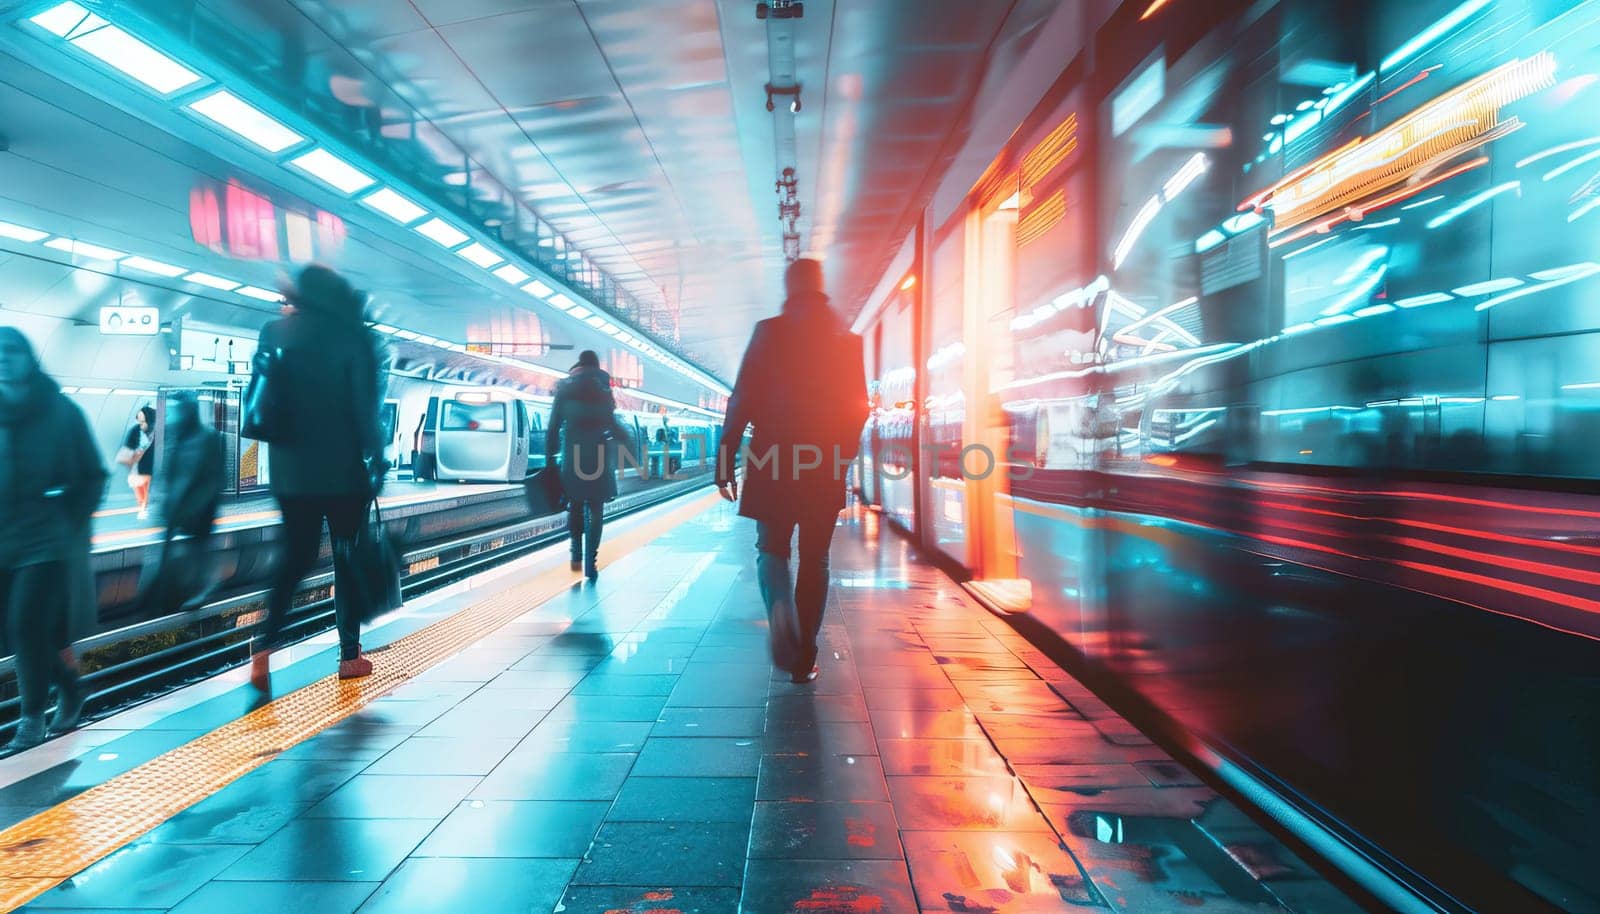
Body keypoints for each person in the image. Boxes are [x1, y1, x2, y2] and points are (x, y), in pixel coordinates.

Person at [716, 257, 868, 683]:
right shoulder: (846, 341)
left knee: (772, 550)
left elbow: (741, 398)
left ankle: (780, 607)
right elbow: (860, 407)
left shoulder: (769, 332)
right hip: (823, 463)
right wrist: (842, 454)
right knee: (816, 558)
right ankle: (804, 658)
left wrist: (725, 457)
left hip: (773, 458)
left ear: (789, 289)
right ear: (822, 289)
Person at [251, 265, 387, 691]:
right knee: (348, 559)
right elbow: (366, 411)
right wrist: (378, 460)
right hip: (344, 472)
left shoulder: (275, 332)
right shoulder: (354, 337)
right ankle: (350, 656)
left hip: (290, 473)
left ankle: (263, 647)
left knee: (295, 557)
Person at [0, 327, 106, 751]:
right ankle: (71, 686)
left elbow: (93, 475)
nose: (5, 359)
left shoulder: (61, 412)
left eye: (13, 351)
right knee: (18, 631)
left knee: (26, 624)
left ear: (31, 359)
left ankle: (30, 721)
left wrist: (68, 520)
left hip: (44, 541)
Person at [136, 391, 225, 616]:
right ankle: (152, 596)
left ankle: (199, 587)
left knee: (197, 547)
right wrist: (163, 498)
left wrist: (194, 504)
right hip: (177, 505)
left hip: (200, 509)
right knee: (164, 547)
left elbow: (213, 480)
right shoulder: (176, 436)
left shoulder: (208, 438)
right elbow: (166, 470)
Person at [547, 350, 625, 579]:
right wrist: (625, 442)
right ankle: (591, 561)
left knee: (576, 504)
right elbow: (611, 422)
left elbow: (553, 427)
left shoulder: (565, 388)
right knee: (596, 508)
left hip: (573, 456)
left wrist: (550, 459)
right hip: (599, 457)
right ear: (597, 366)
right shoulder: (603, 389)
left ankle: (576, 555)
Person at [121, 405, 156, 520]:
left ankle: (143, 507)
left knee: (143, 488)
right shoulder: (137, 430)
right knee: (140, 488)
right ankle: (143, 507)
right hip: (140, 465)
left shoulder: (154, 431)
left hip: (145, 466)